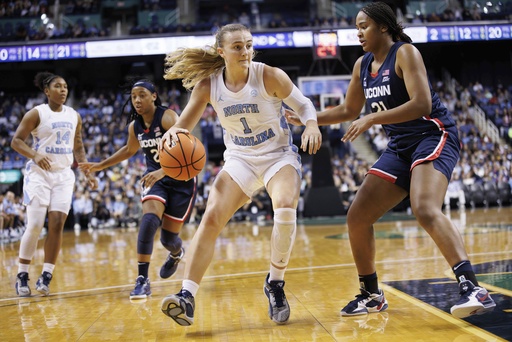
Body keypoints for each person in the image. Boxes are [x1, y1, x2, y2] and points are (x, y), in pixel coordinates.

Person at [286, 1, 495, 319]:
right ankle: (371, 295)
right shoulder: (361, 66)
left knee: (424, 208)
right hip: (399, 145)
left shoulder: (406, 53)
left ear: (383, 26)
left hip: (432, 134)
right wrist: (307, 119)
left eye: (363, 26)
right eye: (356, 27)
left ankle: (473, 288)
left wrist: (371, 121)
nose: (358, 33)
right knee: (357, 217)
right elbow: (347, 111)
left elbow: (422, 103)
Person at [158, 23, 322, 326]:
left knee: (285, 207)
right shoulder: (209, 85)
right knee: (211, 218)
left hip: (278, 156)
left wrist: (311, 124)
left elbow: (305, 105)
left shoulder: (269, 75)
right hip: (240, 160)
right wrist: (171, 138)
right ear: (222, 51)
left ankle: (275, 283)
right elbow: (182, 126)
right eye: (237, 46)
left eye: (248, 45)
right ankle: (186, 296)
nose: (245, 51)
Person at [79, 79, 197, 300]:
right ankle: (142, 279)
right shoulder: (135, 127)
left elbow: (187, 147)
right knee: (149, 219)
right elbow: (128, 150)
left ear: (154, 96)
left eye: (142, 95)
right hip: (157, 181)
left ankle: (176, 253)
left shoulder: (168, 117)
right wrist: (99, 165)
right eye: (133, 97)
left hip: (182, 179)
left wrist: (163, 170)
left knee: (168, 239)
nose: (137, 100)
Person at [11, 71, 98, 297]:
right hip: (39, 174)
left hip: (64, 175)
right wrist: (34, 155)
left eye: (66, 87)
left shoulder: (74, 115)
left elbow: (78, 145)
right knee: (36, 224)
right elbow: (16, 141)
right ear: (47, 91)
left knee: (58, 222)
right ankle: (22, 274)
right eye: (58, 86)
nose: (63, 90)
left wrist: (86, 170)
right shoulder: (36, 113)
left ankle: (46, 275)